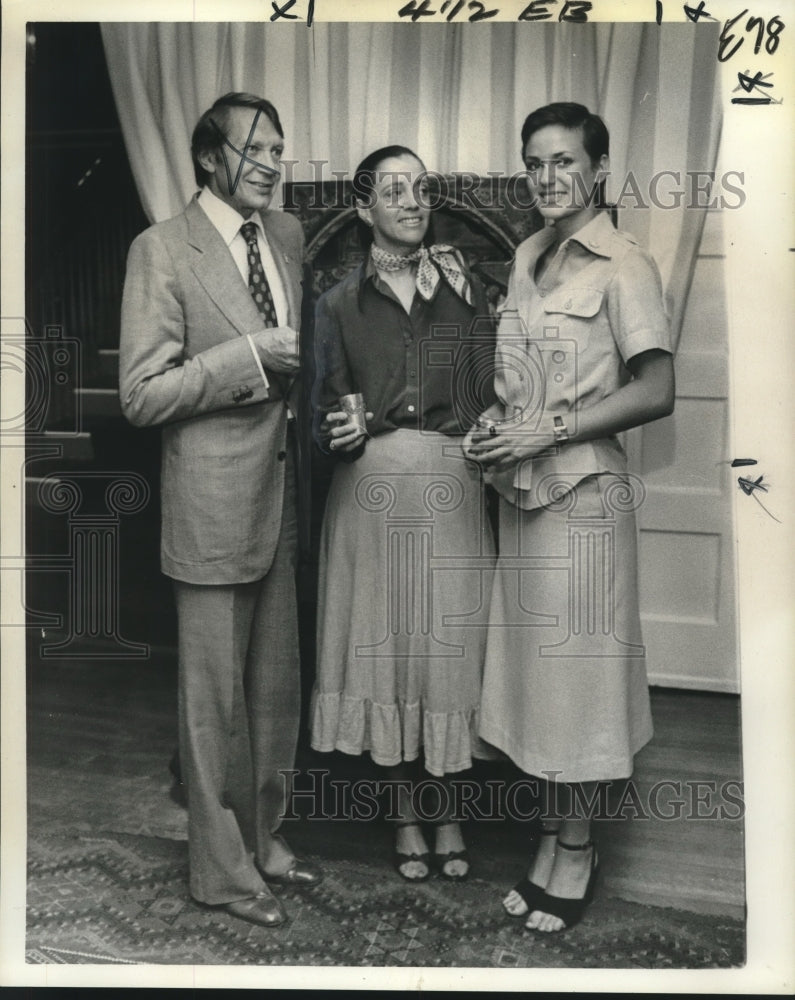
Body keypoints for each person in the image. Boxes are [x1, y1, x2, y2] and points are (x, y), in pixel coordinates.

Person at [466, 103, 675, 931]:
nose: (546, 178)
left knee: (580, 687)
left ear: (596, 169)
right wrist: (497, 423)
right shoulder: (527, 256)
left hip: (583, 500)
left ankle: (577, 850)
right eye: (533, 163)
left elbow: (656, 390)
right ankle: (551, 835)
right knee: (539, 689)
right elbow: (521, 384)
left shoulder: (625, 265)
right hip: (521, 496)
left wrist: (549, 427)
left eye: (562, 162)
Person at [119, 92, 321, 928]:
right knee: (211, 703)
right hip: (208, 506)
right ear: (209, 158)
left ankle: (264, 841)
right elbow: (140, 394)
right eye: (255, 149)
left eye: (279, 146)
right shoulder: (160, 250)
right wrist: (244, 356)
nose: (273, 162)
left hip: (283, 497)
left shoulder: (288, 236)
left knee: (274, 692)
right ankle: (221, 873)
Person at [310, 146, 496, 881]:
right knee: (384, 651)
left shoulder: (466, 287)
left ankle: (448, 810)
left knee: (444, 653)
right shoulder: (334, 303)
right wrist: (339, 427)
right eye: (394, 191)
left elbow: (488, 387)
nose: (412, 201)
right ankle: (404, 816)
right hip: (371, 491)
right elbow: (322, 409)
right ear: (364, 210)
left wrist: (485, 424)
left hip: (451, 483)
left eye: (420, 189)